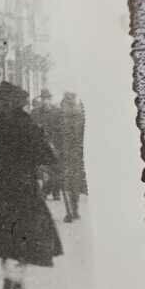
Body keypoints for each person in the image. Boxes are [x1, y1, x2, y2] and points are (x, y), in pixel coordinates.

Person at [0, 81, 62, 289]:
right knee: (18, 252)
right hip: (23, 196)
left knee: (8, 251)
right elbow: (50, 157)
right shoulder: (29, 127)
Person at [57, 91, 86, 223]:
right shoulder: (80, 116)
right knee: (72, 183)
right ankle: (74, 210)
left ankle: (72, 210)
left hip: (68, 154)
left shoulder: (63, 116)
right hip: (72, 154)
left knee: (69, 183)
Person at [33, 88, 61, 201]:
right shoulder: (35, 112)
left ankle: (54, 192)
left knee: (56, 169)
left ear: (50, 99)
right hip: (40, 144)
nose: (45, 101)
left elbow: (60, 129)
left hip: (54, 144)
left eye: (47, 99)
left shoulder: (57, 112)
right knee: (43, 169)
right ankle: (46, 191)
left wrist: (56, 144)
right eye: (43, 99)